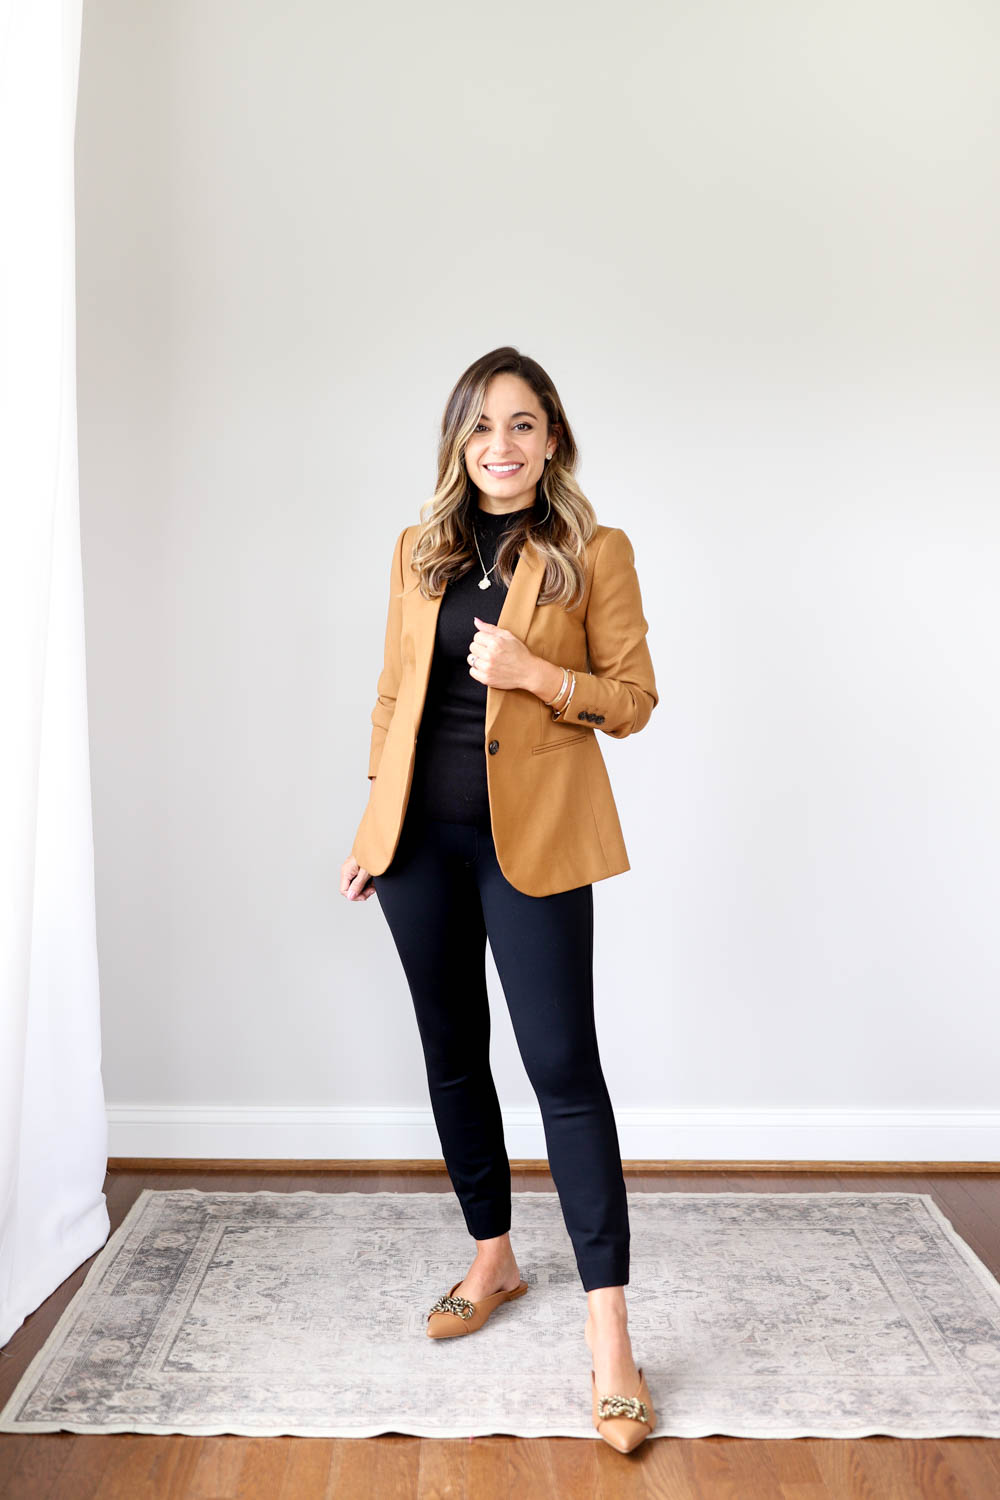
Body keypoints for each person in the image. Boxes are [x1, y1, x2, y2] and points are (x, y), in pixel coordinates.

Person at [340, 346, 659, 1452]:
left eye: (522, 425)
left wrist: (537, 675)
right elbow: (392, 698)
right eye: (481, 426)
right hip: (416, 848)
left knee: (564, 1070)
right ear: (457, 442)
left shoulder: (591, 553)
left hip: (533, 844)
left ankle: (610, 1335)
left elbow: (633, 700)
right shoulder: (416, 552)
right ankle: (493, 1255)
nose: (501, 446)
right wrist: (371, 827)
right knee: (451, 1054)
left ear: (552, 438)